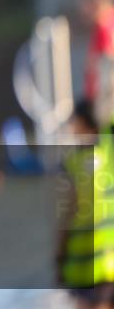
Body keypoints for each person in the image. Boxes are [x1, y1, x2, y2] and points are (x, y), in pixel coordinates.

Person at [56, 101, 114, 308]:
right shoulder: (109, 154)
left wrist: (59, 256)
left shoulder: (72, 163)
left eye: (74, 122)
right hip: (109, 262)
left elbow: (66, 214)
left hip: (83, 264)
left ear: (81, 124)